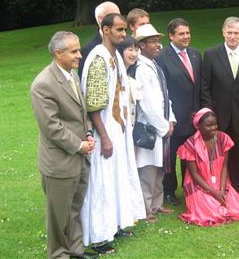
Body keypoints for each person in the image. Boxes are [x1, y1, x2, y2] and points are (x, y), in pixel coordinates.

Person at [80, 13, 145, 254]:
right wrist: (104, 137)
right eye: (119, 30)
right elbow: (93, 104)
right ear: (105, 30)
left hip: (119, 128)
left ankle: (116, 224)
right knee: (102, 182)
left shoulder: (115, 54)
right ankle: (99, 236)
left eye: (125, 30)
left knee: (118, 177)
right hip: (103, 132)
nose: (123, 34)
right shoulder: (98, 58)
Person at [30, 31, 98, 259]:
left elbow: (81, 112)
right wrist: (80, 145)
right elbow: (51, 127)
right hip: (59, 162)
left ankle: (75, 251)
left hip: (79, 156)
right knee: (58, 215)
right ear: (58, 53)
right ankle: (59, 254)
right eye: (74, 51)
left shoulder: (72, 75)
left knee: (74, 208)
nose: (80, 55)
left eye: (78, 49)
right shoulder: (43, 84)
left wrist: (88, 132)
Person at [201, 17, 239, 192]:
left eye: (237, 33)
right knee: (217, 155)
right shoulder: (211, 54)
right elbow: (205, 87)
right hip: (218, 117)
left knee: (237, 155)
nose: (233, 36)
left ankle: (235, 188)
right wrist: (208, 114)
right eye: (230, 33)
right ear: (223, 32)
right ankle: (217, 188)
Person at [177, 108, 239, 225]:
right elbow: (194, 175)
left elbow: (224, 167)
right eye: (208, 125)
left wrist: (221, 189)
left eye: (215, 124)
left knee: (234, 206)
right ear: (198, 126)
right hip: (199, 184)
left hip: (220, 181)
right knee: (208, 209)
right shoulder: (190, 145)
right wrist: (213, 192)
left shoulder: (223, 138)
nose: (213, 128)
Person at [155, 18, 202, 206]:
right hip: (174, 117)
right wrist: (168, 117)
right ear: (171, 36)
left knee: (191, 155)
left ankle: (189, 187)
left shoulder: (196, 54)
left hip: (194, 117)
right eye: (181, 34)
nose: (186, 37)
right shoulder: (162, 57)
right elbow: (162, 89)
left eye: (188, 33)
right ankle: (169, 191)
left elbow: (200, 85)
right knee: (171, 156)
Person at [134, 24, 176, 222]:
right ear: (141, 45)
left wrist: (171, 119)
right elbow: (149, 104)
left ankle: (157, 204)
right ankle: (146, 208)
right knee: (148, 167)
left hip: (162, 123)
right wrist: (162, 126)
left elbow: (164, 96)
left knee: (160, 166)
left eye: (158, 41)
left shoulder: (154, 65)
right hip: (150, 127)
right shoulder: (142, 69)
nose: (158, 45)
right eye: (153, 42)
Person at [78, 1, 120, 77]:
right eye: (113, 16)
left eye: (119, 16)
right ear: (101, 18)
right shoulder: (88, 49)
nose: (119, 20)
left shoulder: (125, 42)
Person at [116, 36, 140, 124]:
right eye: (130, 50)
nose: (134, 54)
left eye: (136, 50)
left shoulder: (132, 75)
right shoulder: (115, 76)